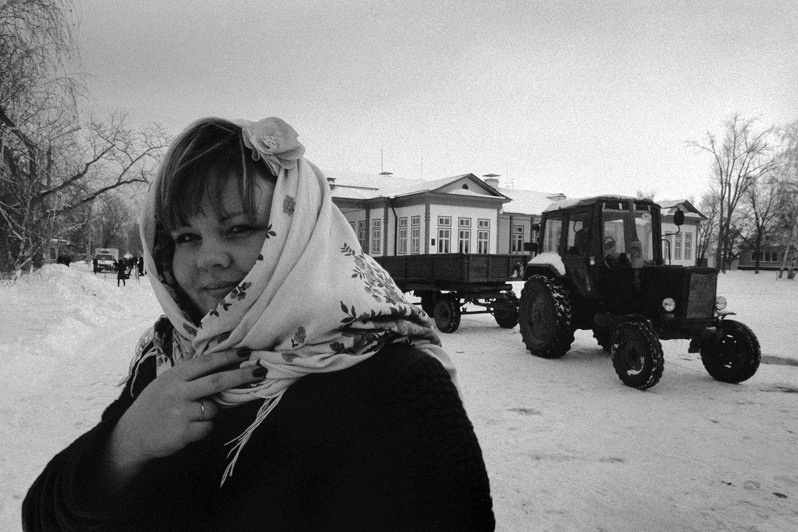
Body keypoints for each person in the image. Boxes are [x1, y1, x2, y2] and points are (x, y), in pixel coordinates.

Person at [23, 116, 494, 531]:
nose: (209, 257)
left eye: (239, 228)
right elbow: (41, 517)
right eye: (186, 236)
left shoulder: (396, 387)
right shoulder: (170, 360)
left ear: (301, 228)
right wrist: (122, 447)